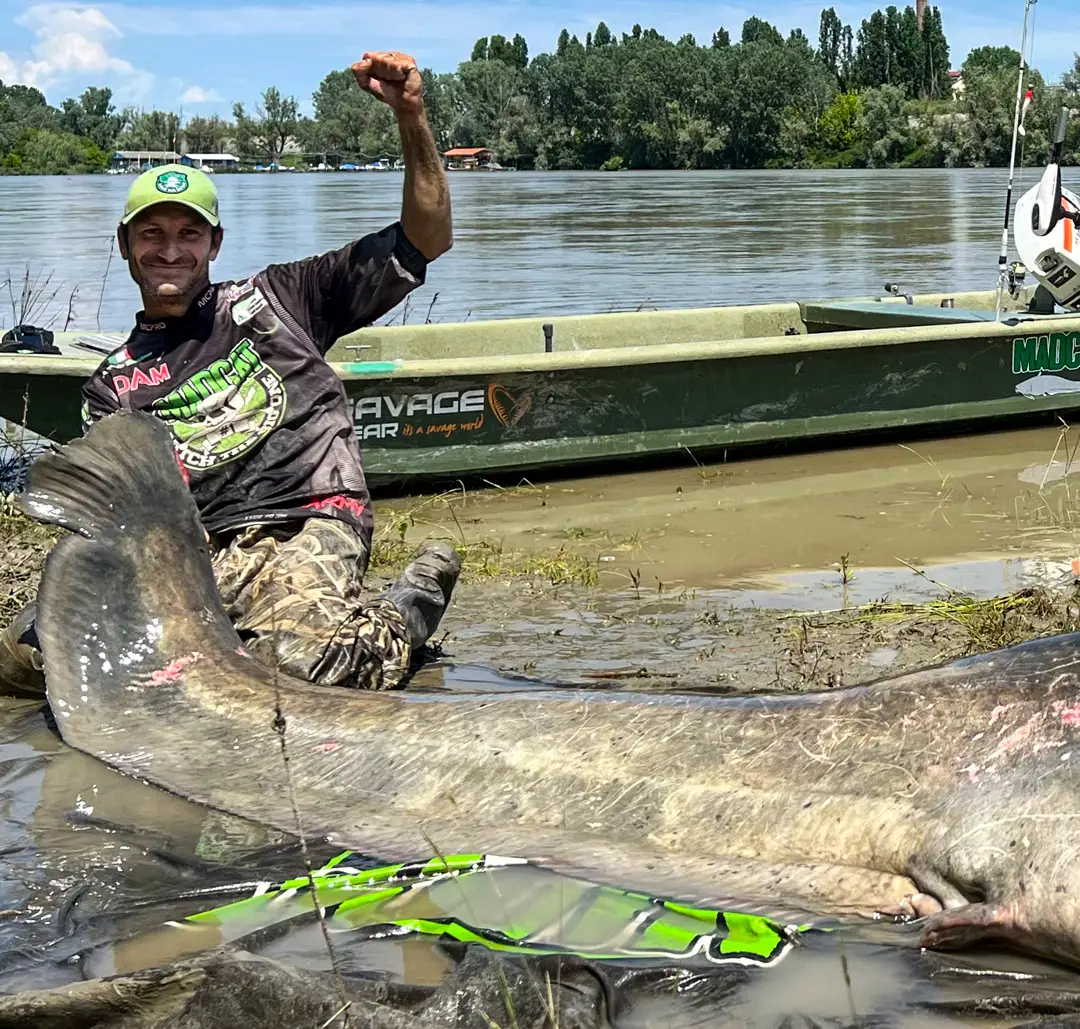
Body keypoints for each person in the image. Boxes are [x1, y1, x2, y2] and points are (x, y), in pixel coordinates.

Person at [0, 50, 461, 695]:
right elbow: (121, 516)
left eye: (189, 234)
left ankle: (403, 616)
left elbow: (426, 237)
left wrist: (411, 119)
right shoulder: (111, 387)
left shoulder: (282, 298)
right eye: (151, 233)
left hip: (306, 518)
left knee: (300, 670)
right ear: (125, 244)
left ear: (214, 244)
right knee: (33, 661)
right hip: (195, 553)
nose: (170, 249)